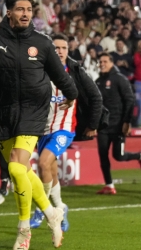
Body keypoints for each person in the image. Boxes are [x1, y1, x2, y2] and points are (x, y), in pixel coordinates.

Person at [0, 0, 78, 250]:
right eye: (20, 9)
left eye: (29, 10)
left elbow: (60, 74)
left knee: (15, 165)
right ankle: (51, 212)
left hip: (32, 111)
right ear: (9, 12)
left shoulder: (42, 43)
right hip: (0, 112)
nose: (25, 14)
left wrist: (72, 94)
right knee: (22, 171)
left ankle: (24, 228)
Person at [30, 33, 103, 232]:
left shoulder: (75, 71)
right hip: (43, 130)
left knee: (43, 163)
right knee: (49, 171)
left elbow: (96, 96)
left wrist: (93, 124)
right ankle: (61, 208)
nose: (60, 51)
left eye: (63, 48)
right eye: (56, 48)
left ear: (68, 51)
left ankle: (40, 209)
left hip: (64, 129)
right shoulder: (39, 70)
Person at [95, 52, 141, 194]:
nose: (102, 64)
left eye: (105, 61)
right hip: (103, 126)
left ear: (112, 63)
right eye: (100, 62)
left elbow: (129, 100)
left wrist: (127, 122)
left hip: (118, 125)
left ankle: (139, 156)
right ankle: (109, 185)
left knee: (119, 156)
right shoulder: (98, 81)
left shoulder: (120, 79)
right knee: (103, 155)